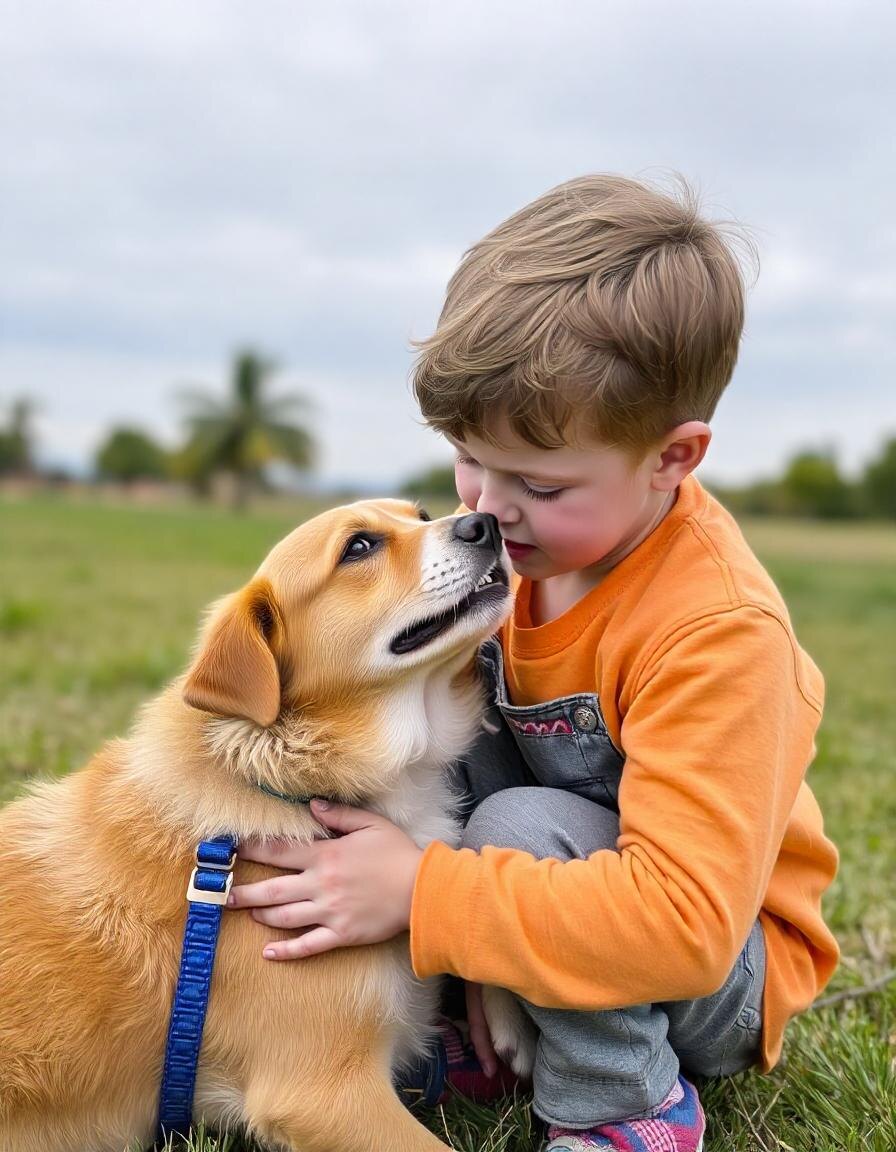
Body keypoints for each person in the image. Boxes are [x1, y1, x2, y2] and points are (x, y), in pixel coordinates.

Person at [228, 175, 840, 1151]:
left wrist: (424, 894)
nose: (487, 507)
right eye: (467, 459)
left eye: (540, 483)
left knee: (519, 820)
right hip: (553, 884)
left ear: (672, 459)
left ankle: (626, 1104)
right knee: (429, 729)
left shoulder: (716, 633)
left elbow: (680, 924)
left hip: (716, 970)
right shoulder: (517, 558)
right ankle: (483, 1010)